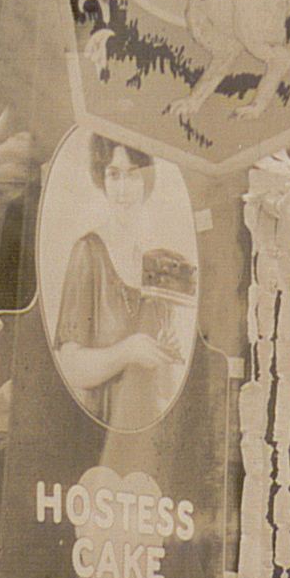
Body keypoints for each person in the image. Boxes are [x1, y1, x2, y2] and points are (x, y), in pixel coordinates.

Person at [46, 135, 197, 433]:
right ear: (101, 179)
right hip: (95, 432)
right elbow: (71, 366)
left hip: (145, 432)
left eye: (133, 175)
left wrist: (165, 354)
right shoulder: (88, 251)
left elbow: (166, 387)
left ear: (147, 180)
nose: (123, 189)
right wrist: (128, 351)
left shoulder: (155, 263)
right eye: (114, 175)